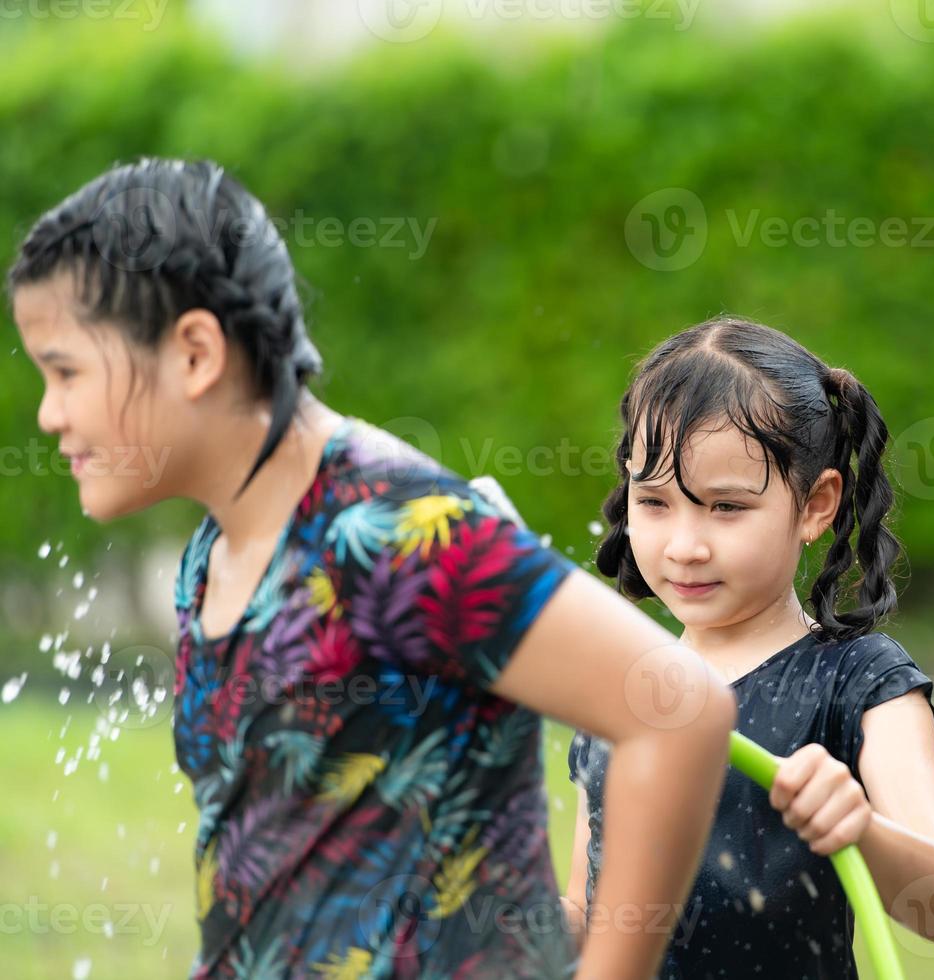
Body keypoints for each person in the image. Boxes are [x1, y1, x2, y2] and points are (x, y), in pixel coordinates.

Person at [8, 157, 735, 979]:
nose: (48, 412)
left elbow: (681, 712)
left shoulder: (390, 532)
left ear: (195, 353)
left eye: (65, 371)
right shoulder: (213, 555)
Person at [564, 316, 934, 978]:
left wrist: (860, 826)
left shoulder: (860, 683)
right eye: (656, 502)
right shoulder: (619, 688)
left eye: (725, 508)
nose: (685, 545)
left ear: (815, 505)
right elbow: (591, 915)